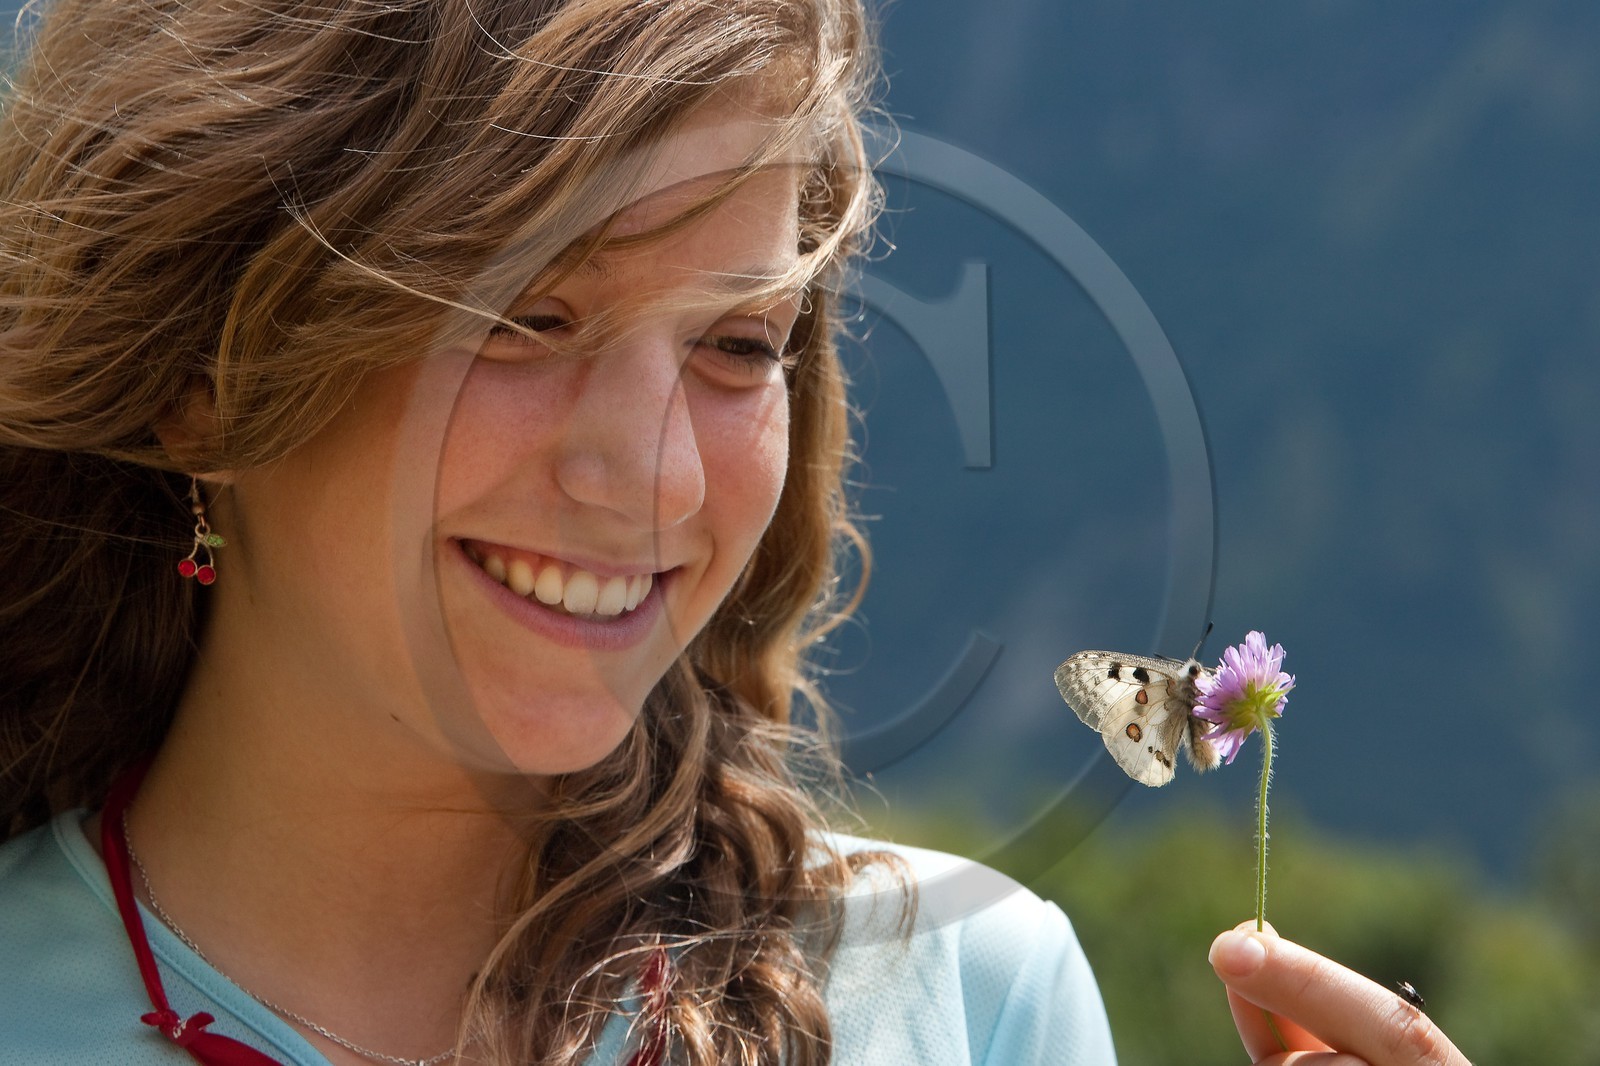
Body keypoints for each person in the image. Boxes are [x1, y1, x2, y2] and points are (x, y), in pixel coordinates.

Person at [0, 2, 1469, 1065]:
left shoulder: (969, 998)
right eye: (524, 314)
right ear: (201, 378)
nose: (651, 482)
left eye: (737, 343)